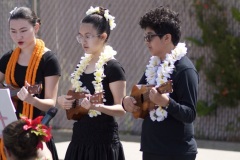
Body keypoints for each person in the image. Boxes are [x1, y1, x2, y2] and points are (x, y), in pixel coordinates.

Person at [122, 6, 199, 160]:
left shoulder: (185, 70)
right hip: (151, 148)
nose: (146, 41)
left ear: (167, 38)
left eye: (150, 36)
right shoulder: (153, 66)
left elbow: (190, 114)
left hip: (177, 152)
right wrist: (127, 102)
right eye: (145, 37)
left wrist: (167, 103)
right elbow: (138, 97)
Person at [57, 6, 126, 160]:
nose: (83, 41)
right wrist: (62, 100)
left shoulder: (113, 67)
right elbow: (72, 97)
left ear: (103, 36)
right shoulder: (81, 67)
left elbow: (121, 109)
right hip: (80, 140)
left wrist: (97, 106)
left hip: (103, 143)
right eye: (80, 36)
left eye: (88, 36)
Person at [0, 6, 61, 160]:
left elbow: (51, 103)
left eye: (23, 30)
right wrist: (7, 92)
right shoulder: (8, 58)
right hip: (10, 131)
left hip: (35, 133)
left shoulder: (48, 60)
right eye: (13, 31)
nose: (18, 36)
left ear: (36, 27)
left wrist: (31, 99)